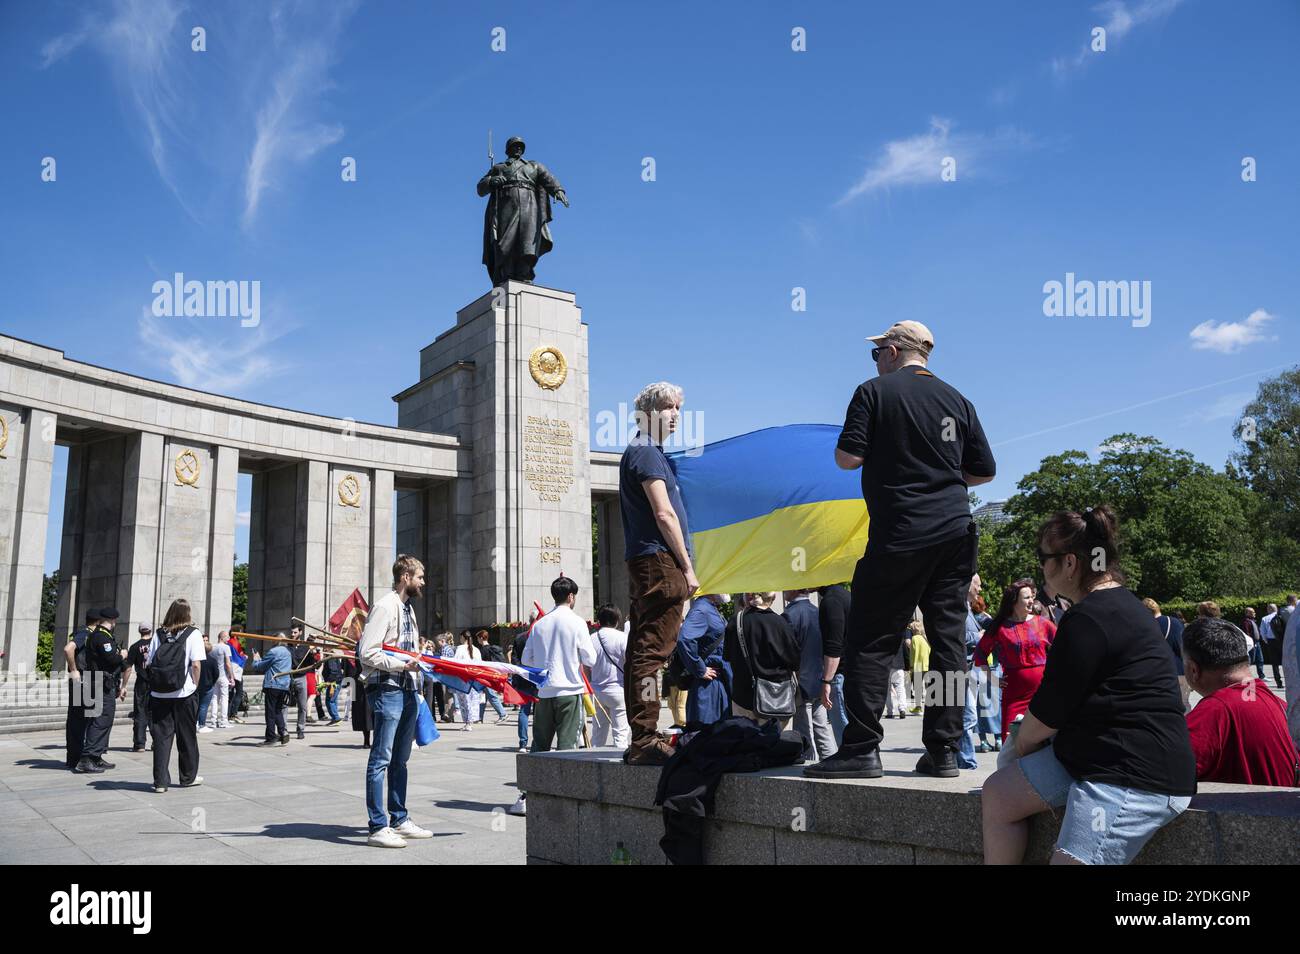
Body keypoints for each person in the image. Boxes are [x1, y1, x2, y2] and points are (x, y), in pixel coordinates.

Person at [808, 321, 995, 781]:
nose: (874, 362)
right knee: (948, 640)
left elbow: (847, 458)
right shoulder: (958, 400)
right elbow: (983, 471)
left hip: (900, 532)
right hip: (955, 532)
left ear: (892, 351)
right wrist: (942, 477)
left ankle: (861, 747)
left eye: (876, 354)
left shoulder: (874, 392)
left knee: (872, 637)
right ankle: (944, 750)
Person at [981, 506, 1195, 865]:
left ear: (1069, 563)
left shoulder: (1087, 619)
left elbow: (1046, 715)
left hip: (1133, 776)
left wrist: (1022, 747)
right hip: (1100, 754)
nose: (1041, 570)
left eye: (1042, 558)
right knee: (999, 794)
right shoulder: (1122, 605)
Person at [619, 381, 699, 765]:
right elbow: (663, 513)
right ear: (650, 412)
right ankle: (646, 739)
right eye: (669, 408)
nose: (676, 416)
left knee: (642, 651)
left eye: (679, 409)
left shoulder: (646, 452)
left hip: (648, 561)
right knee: (653, 654)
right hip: (661, 562)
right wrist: (687, 567)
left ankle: (642, 736)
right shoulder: (648, 454)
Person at [357, 555, 431, 849]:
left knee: (401, 759)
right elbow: (367, 652)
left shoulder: (408, 609)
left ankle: (399, 818)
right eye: (420, 577)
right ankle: (377, 825)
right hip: (388, 689)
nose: (423, 582)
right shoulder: (386, 606)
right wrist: (403, 665)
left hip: (409, 689)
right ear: (406, 577)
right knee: (381, 758)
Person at [1182, 616, 1299, 786]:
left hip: (1249, 811)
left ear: (1194, 669)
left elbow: (1162, 771)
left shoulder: (1215, 711)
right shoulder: (1279, 703)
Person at [975, 579, 1056, 741]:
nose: (1031, 600)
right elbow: (980, 654)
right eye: (1026, 597)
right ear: (1014, 601)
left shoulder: (1043, 623)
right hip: (1014, 695)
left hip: (1043, 694)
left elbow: (1064, 648)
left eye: (1032, 597)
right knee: (1010, 743)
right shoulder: (1000, 627)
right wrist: (993, 679)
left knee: (1042, 743)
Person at [524, 575, 598, 752]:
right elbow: (590, 659)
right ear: (571, 597)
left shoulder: (539, 624)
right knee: (568, 745)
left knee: (540, 745)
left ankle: (535, 778)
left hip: (544, 692)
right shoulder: (577, 622)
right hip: (569, 690)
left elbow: (527, 659)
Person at [144, 599, 208, 793]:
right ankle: (188, 777)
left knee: (161, 738)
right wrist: (195, 685)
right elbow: (196, 665)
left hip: (159, 693)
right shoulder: (193, 633)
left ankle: (160, 782)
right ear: (187, 614)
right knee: (186, 736)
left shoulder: (158, 634)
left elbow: (149, 662)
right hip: (184, 693)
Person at [723, 592, 801, 731]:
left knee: (746, 744)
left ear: (750, 596)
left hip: (743, 696)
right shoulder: (781, 622)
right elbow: (795, 661)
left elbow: (728, 656)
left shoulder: (736, 621)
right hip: (778, 698)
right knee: (775, 744)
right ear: (773, 598)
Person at [784, 589, 837, 763]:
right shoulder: (818, 611)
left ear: (794, 590)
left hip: (801, 681)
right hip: (819, 679)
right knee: (821, 728)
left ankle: (807, 765)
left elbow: (788, 652)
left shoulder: (789, 615)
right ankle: (829, 760)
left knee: (803, 732)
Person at [77, 607, 125, 773]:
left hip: (100, 682)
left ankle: (95, 756)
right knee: (100, 719)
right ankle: (87, 758)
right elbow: (111, 658)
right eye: (114, 621)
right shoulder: (101, 637)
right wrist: (123, 655)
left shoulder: (99, 635)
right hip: (99, 682)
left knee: (102, 719)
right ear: (112, 620)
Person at [674, 593, 731, 727]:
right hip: (708, 684)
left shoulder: (709, 608)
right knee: (708, 731)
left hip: (716, 680)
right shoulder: (702, 609)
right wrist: (700, 669)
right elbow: (685, 639)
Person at [588, 604, 630, 747]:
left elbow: (585, 667)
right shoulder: (622, 638)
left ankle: (592, 763)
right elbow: (629, 663)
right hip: (618, 689)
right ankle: (618, 765)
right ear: (617, 619)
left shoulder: (592, 638)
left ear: (599, 620)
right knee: (620, 735)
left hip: (596, 691)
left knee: (598, 734)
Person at [817, 582, 851, 747]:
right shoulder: (846, 596)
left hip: (840, 675)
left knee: (844, 730)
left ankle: (851, 762)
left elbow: (833, 646)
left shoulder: (831, 601)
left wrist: (826, 681)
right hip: (850, 672)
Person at [63, 609, 98, 769]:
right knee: (80, 720)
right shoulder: (85, 633)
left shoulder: (83, 631)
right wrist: (74, 669)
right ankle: (76, 758)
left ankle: (77, 757)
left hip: (87, 680)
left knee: (83, 719)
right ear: (98, 621)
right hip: (83, 680)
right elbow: (68, 648)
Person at [1143, 598, 1189, 711]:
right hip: (1182, 671)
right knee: (1185, 705)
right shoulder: (1175, 622)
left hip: (1161, 672)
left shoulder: (1147, 626)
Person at [248, 637, 293, 746]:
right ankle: (283, 732)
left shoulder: (274, 651)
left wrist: (256, 659)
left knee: (270, 712)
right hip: (284, 685)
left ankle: (271, 737)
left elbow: (259, 666)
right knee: (277, 710)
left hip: (273, 684)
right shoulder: (288, 652)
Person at [121, 624, 154, 752]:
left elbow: (128, 668)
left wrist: (123, 685)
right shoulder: (156, 644)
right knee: (155, 713)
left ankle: (140, 744)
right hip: (155, 683)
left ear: (139, 631)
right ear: (150, 630)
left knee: (140, 712)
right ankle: (157, 742)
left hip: (141, 682)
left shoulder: (135, 647)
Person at [511, 611, 537, 751]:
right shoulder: (541, 637)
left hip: (523, 678)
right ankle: (537, 742)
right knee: (539, 713)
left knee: (524, 711)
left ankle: (523, 742)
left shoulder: (520, 637)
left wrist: (521, 672)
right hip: (538, 679)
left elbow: (514, 660)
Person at [289, 628, 318, 738]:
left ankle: (300, 729)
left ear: (300, 633)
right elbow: (295, 659)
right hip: (289, 677)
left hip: (301, 677)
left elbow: (313, 663)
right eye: (291, 632)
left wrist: (312, 652)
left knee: (302, 706)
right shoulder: (288, 646)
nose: (292, 634)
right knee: (284, 705)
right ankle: (283, 730)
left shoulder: (304, 647)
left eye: (295, 632)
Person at [452, 631, 484, 731]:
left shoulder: (460, 648)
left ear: (462, 637)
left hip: (463, 678)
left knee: (464, 701)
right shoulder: (476, 650)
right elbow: (480, 664)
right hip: (474, 677)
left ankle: (468, 722)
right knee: (472, 700)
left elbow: (455, 662)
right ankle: (470, 721)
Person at [203, 631, 235, 730]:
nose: (228, 639)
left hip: (214, 676)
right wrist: (232, 677)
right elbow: (228, 664)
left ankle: (213, 720)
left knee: (214, 699)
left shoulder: (212, 647)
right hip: (223, 675)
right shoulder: (226, 647)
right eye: (227, 637)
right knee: (224, 698)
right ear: (222, 637)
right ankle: (224, 721)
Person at [476, 630, 509, 724]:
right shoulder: (491, 648)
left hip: (486, 676)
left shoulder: (483, 650)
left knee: (491, 696)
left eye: (478, 638)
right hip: (490, 675)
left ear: (481, 638)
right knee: (483, 697)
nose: (477, 640)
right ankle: (479, 718)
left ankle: (503, 714)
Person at [906, 620, 930, 715]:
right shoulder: (925, 638)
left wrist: (911, 666)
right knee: (928, 687)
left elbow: (913, 654)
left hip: (917, 666)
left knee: (918, 688)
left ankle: (918, 707)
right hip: (926, 665)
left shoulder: (914, 639)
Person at [195, 635, 218, 733]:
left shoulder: (197, 659)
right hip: (208, 685)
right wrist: (212, 682)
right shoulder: (212, 660)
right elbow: (216, 674)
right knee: (204, 706)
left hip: (197, 685)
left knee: (196, 705)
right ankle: (201, 725)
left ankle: (194, 723)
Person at [320, 650, 344, 725]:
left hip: (333, 682)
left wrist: (329, 682)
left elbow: (333, 671)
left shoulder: (331, 658)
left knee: (330, 701)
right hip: (335, 681)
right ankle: (335, 718)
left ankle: (336, 718)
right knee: (333, 700)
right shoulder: (333, 657)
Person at [227, 632, 247, 724]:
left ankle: (228, 714)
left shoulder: (228, 642)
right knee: (239, 692)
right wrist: (244, 658)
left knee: (231, 693)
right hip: (236, 670)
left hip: (230, 670)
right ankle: (233, 714)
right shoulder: (235, 642)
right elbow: (239, 656)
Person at [1242, 607, 1265, 681]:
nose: (1254, 613)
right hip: (1253, 643)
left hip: (1257, 642)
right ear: (1247, 613)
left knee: (1260, 659)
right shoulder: (1246, 622)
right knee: (1251, 660)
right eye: (1252, 612)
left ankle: (1262, 676)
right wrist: (1252, 642)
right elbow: (1247, 633)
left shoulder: (1252, 621)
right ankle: (1244, 675)